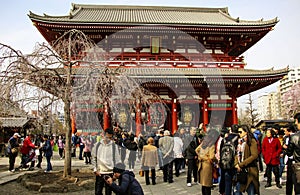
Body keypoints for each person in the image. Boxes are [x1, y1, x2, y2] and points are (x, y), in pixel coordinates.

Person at [92, 127, 121, 195]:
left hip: (110, 172)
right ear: (104, 135)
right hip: (100, 172)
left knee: (108, 193)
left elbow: (117, 160)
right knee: (98, 192)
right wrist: (95, 169)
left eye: (110, 138)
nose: (109, 139)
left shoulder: (114, 146)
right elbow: (93, 158)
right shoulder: (97, 145)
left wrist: (116, 173)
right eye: (107, 137)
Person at [234, 125, 259, 195]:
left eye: (240, 132)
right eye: (238, 132)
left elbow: (254, 155)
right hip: (240, 170)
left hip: (250, 170)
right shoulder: (239, 142)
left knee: (251, 190)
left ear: (246, 132)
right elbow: (236, 153)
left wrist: (241, 164)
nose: (239, 133)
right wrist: (236, 164)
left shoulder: (252, 141)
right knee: (237, 191)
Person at [196, 128, 219, 195]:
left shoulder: (204, 142)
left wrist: (200, 156)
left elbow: (196, 150)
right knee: (208, 185)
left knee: (203, 184)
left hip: (201, 165)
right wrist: (216, 160)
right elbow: (212, 157)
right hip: (208, 166)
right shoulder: (211, 145)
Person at [286, 112, 300, 195]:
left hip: (298, 167)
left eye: (296, 121)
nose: (295, 123)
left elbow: (289, 153)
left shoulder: (294, 137)